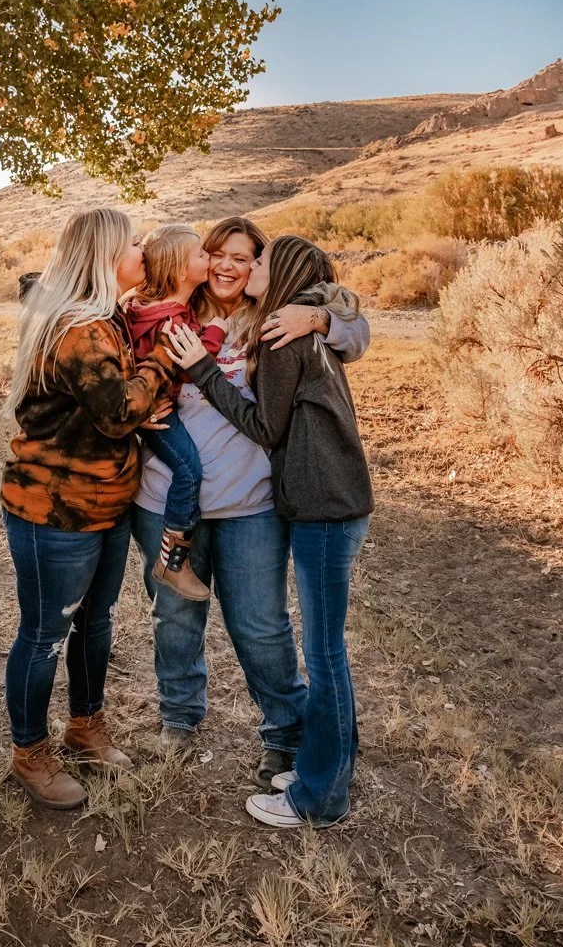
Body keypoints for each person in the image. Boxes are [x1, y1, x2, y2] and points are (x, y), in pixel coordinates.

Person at [131, 216, 371, 789]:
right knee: (174, 616)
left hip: (251, 504)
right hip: (165, 497)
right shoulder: (166, 310)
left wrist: (319, 317)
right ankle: (180, 717)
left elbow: (355, 334)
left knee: (262, 626)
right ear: (200, 259)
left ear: (260, 266)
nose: (228, 265)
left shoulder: (275, 318)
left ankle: (286, 733)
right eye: (218, 253)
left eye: (244, 257)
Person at [0, 208, 175, 810]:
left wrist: (135, 399)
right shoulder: (81, 330)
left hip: (106, 504)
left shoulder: (108, 322)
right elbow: (119, 412)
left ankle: (85, 726)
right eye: (133, 244)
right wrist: (161, 366)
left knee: (95, 624)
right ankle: (30, 753)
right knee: (46, 635)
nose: (143, 252)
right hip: (55, 512)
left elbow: (115, 410)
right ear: (105, 256)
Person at [126, 225, 228, 602]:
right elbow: (187, 368)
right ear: (183, 270)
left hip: (152, 406)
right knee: (188, 471)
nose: (210, 259)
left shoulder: (145, 307)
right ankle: (173, 561)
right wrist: (215, 332)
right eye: (202, 254)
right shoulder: (172, 321)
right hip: (159, 411)